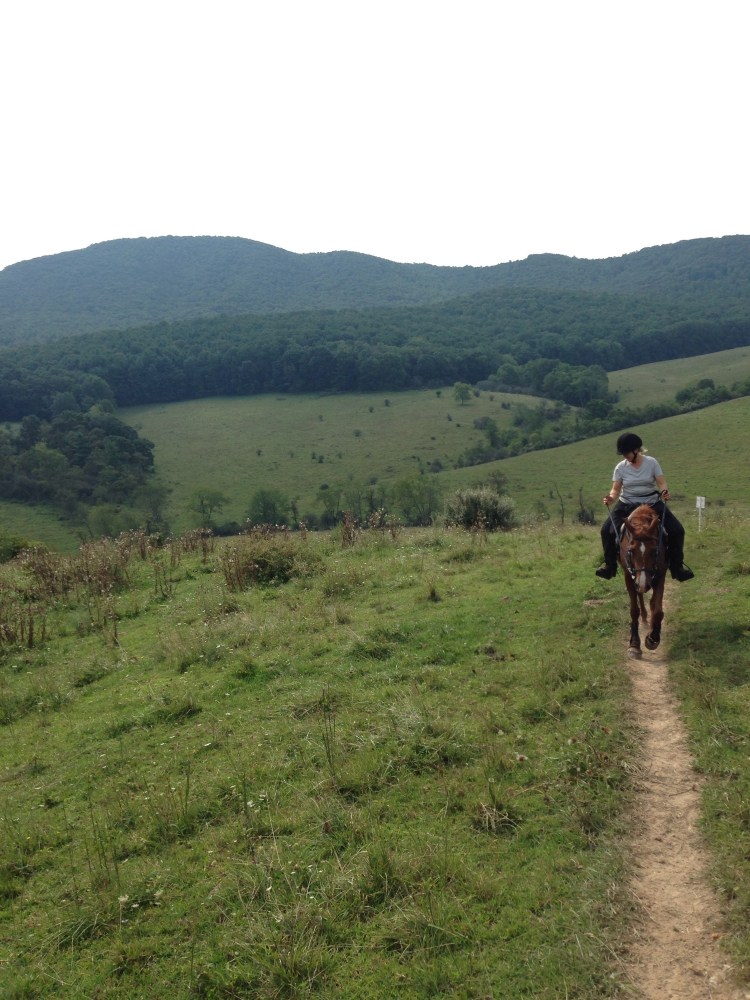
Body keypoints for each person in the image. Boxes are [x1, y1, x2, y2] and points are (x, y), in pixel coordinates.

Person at [595, 432, 694, 581]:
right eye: (622, 453)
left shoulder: (652, 462)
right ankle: (610, 567)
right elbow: (615, 489)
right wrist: (610, 498)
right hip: (626, 503)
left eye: (626, 452)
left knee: (677, 530)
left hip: (652, 502)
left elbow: (661, 482)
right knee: (606, 531)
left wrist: (665, 491)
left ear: (636, 450)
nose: (624, 456)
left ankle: (677, 567)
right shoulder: (620, 467)